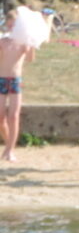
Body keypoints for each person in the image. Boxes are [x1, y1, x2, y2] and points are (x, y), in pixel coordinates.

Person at [0, 15, 39, 162]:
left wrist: (31, 46)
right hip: (2, 79)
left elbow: (30, 58)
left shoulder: (23, 43)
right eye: (9, 26)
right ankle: (8, 142)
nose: (11, 29)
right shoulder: (3, 41)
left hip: (15, 80)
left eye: (14, 26)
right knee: (0, 116)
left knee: (14, 116)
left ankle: (10, 149)